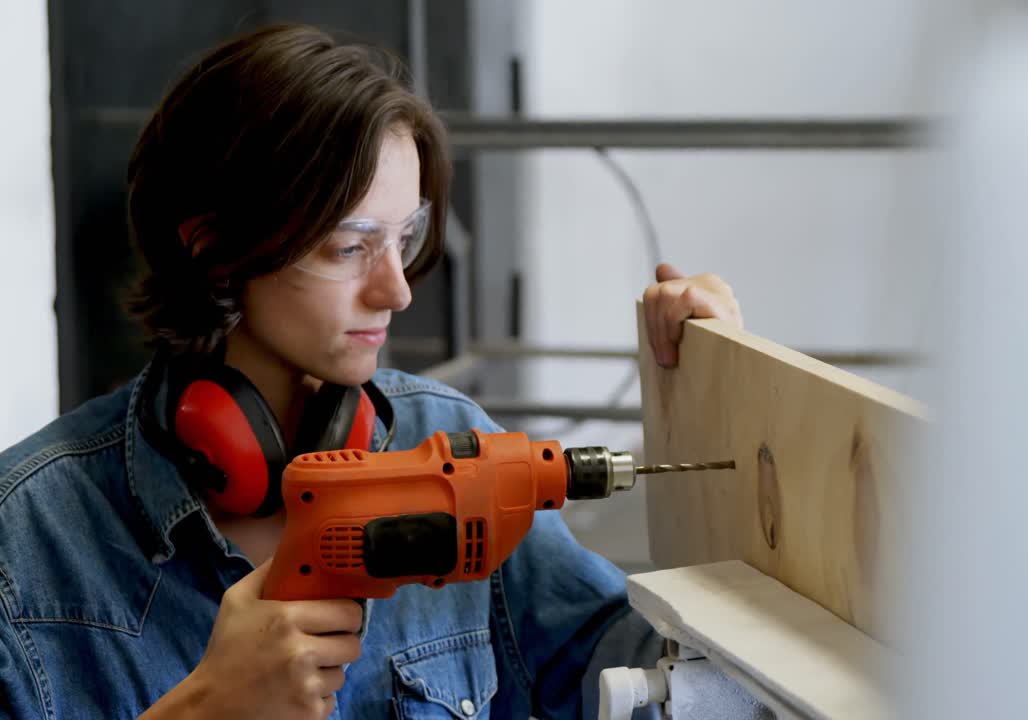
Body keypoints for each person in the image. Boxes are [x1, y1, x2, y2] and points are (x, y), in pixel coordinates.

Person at [0, 24, 742, 720]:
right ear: (214, 250)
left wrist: (724, 397)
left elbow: (642, 680)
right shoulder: (28, 540)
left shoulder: (448, 442)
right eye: (349, 246)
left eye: (405, 236)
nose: (398, 290)